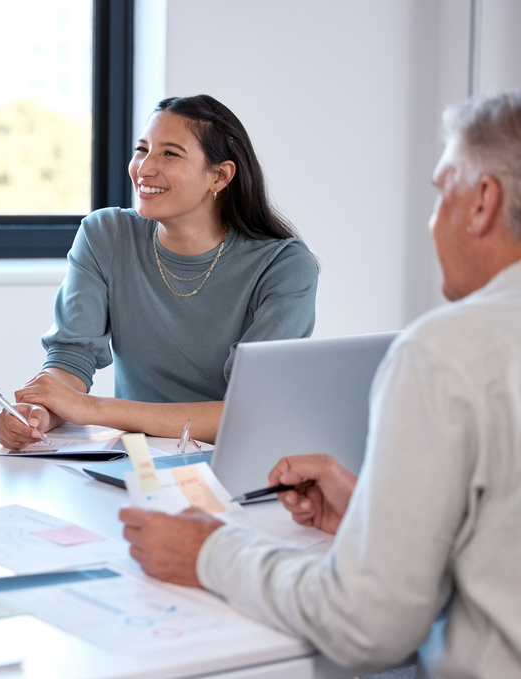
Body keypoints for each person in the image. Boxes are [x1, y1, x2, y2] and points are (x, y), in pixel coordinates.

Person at [119, 91, 521, 678]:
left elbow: (369, 625)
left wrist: (209, 551)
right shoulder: (112, 236)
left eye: (441, 194)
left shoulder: (444, 353)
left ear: (483, 201)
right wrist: (374, 517)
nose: (434, 222)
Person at [0, 95, 317, 449]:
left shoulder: (283, 266)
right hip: (138, 460)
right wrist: (41, 410)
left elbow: (250, 410)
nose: (143, 169)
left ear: (220, 176)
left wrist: (92, 408)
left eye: (170, 154)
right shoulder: (105, 234)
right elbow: (72, 357)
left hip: (233, 459)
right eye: (142, 149)